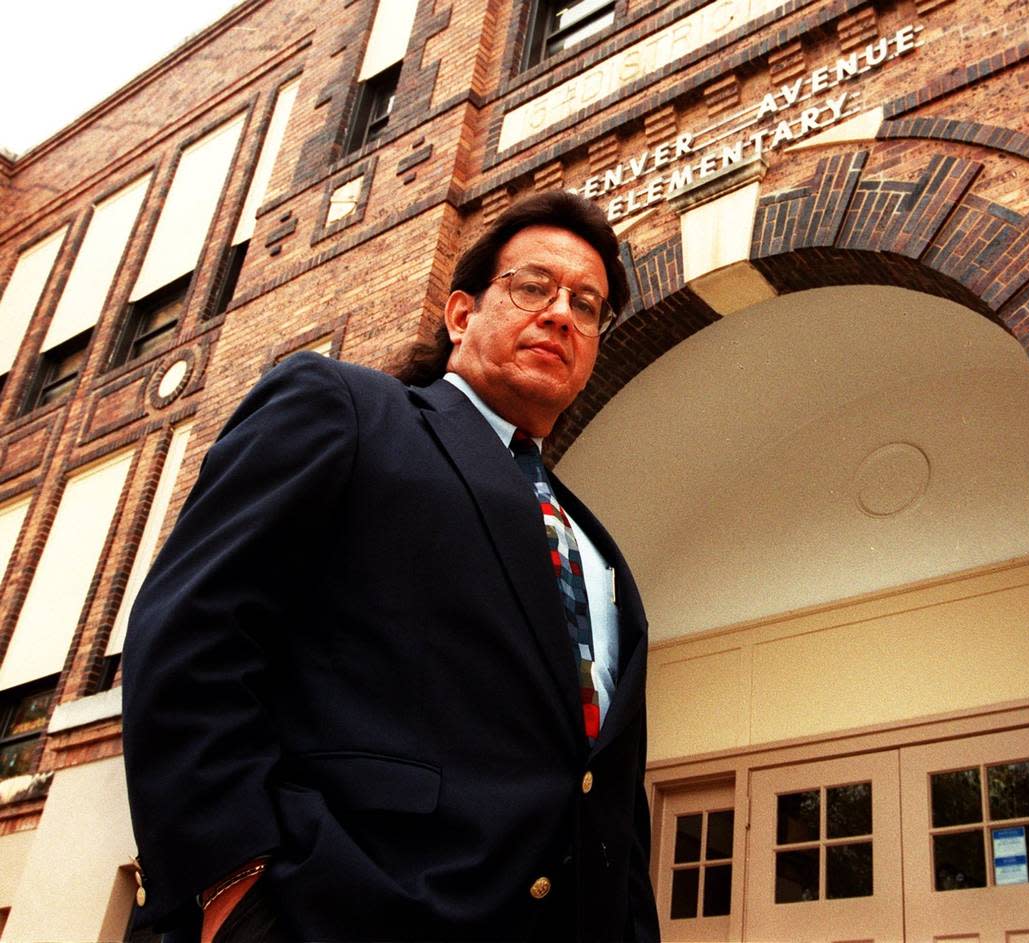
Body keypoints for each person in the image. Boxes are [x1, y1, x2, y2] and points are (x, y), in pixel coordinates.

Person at [122, 190, 661, 943]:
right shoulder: (345, 408)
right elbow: (190, 638)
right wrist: (236, 895)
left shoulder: (600, 552)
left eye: (587, 304)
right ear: (461, 314)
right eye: (534, 287)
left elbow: (609, 802)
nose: (561, 314)